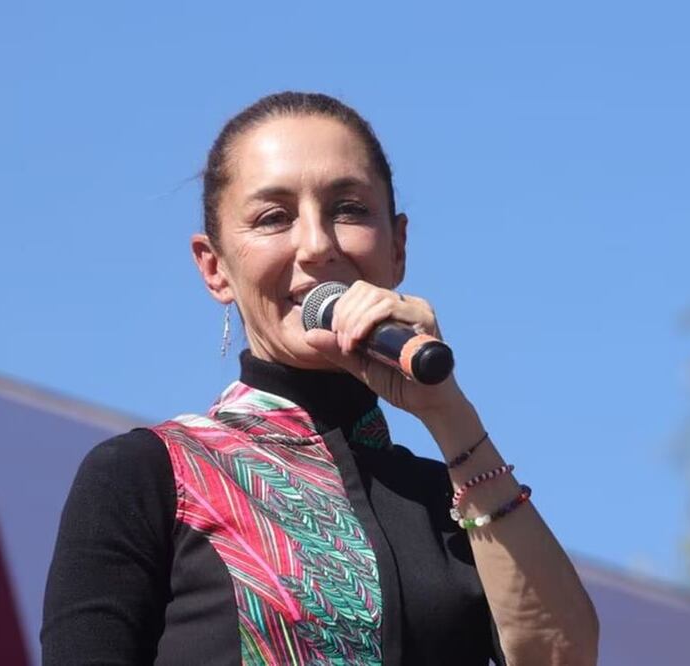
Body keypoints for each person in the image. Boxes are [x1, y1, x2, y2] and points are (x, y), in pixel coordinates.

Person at [41, 91, 599, 665]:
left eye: (349, 209)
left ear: (398, 244)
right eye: (273, 218)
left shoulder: (448, 501)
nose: (317, 245)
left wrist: (448, 413)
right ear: (214, 267)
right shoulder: (148, 475)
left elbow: (562, 657)